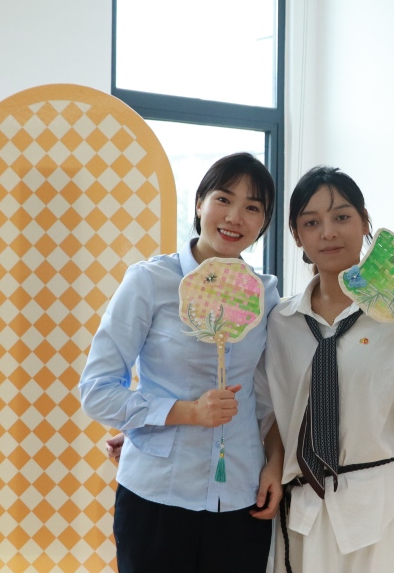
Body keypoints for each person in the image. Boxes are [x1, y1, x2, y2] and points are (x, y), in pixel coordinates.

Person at [80, 152, 284, 573]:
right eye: (223, 199)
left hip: (241, 497)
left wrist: (275, 464)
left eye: (252, 207)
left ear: (264, 222)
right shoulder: (150, 281)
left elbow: (269, 398)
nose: (235, 217)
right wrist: (184, 412)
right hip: (157, 496)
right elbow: (97, 391)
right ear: (199, 204)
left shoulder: (266, 296)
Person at [266, 166, 394, 572]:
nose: (328, 232)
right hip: (305, 513)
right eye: (312, 223)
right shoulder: (281, 323)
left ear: (365, 223)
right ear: (297, 236)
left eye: (342, 217)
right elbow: (270, 411)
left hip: (384, 513)